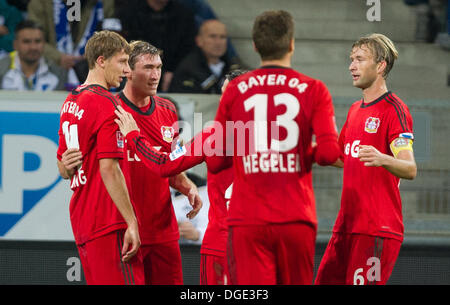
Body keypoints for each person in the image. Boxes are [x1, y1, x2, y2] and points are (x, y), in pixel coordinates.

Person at [207, 10, 341, 285]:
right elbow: (330, 154)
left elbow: (216, 162)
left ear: (255, 46)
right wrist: (304, 150)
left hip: (247, 220)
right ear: (291, 43)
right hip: (295, 217)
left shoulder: (235, 90)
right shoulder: (314, 89)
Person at [314, 33, 417, 285]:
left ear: (380, 66)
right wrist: (307, 148)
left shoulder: (395, 109)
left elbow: (410, 168)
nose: (352, 66)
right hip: (346, 226)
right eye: (351, 59)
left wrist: (383, 158)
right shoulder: (354, 110)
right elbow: (341, 157)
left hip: (376, 229)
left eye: (360, 59)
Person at [56, 30, 144, 285]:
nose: (128, 70)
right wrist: (131, 222)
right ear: (101, 61)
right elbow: (109, 169)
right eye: (122, 62)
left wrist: (67, 166)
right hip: (108, 219)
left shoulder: (71, 100)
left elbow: (63, 168)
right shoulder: (106, 103)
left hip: (84, 220)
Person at [116, 40, 203, 285]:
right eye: (148, 68)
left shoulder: (167, 109)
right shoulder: (112, 109)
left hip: (164, 231)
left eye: (159, 67)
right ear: (128, 71)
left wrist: (187, 186)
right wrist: (66, 165)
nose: (155, 75)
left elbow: (169, 164)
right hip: (126, 230)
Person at [199, 69, 247, 285]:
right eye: (222, 93)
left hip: (221, 244)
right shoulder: (275, 139)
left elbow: (165, 164)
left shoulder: (211, 136)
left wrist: (135, 139)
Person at [27, 0, 117, 88]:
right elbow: (31, 40)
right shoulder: (41, 3)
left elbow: (114, 37)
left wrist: (95, 53)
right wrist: (58, 57)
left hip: (93, 68)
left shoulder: (105, 3)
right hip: (50, 67)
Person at [117, 0, 197, 92]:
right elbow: (123, 47)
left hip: (174, 70)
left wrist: (173, 71)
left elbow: (188, 48)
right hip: (135, 68)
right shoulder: (128, 12)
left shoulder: (184, 13)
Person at [168, 19, 242, 94]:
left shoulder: (235, 67)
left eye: (222, 37)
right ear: (199, 40)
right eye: (212, 36)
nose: (218, 42)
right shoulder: (187, 69)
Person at [0, 19, 67, 91]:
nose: (33, 47)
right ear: (15, 45)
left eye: (38, 41)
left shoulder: (58, 72)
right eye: (26, 41)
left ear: (44, 43)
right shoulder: (2, 68)